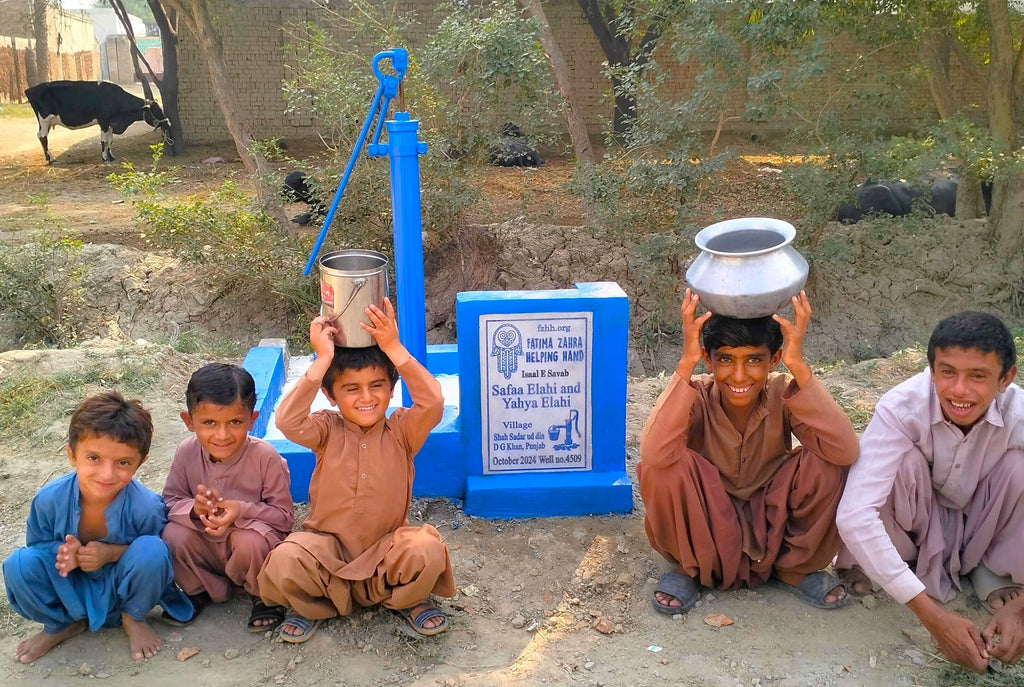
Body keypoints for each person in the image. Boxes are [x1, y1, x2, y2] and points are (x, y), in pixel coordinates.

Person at [637, 289, 859, 615]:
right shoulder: (696, 395)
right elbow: (654, 453)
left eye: (753, 359)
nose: (739, 375)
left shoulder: (783, 391)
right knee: (663, 468)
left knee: (828, 462)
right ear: (708, 359)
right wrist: (686, 363)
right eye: (725, 359)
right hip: (707, 519)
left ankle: (795, 568)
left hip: (772, 515)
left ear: (773, 360)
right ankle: (691, 568)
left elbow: (845, 449)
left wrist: (798, 367)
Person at [257, 298, 455, 643]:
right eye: (351, 389)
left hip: (385, 554)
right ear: (331, 396)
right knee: (285, 559)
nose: (367, 397)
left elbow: (433, 401)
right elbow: (287, 420)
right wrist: (323, 360)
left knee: (425, 549)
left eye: (377, 386)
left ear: (391, 390)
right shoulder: (325, 429)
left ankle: (408, 600)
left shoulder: (402, 431)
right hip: (328, 554)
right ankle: (313, 606)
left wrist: (393, 347)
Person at [837, 311, 1024, 672]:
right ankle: (898, 566)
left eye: (978, 376)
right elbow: (854, 514)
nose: (959, 390)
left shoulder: (1018, 412)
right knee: (900, 462)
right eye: (948, 372)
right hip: (913, 527)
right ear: (931, 369)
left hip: (982, 524)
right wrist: (933, 619)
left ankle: (995, 569)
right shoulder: (901, 407)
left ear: (1006, 379)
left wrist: (1023, 608)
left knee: (1019, 467)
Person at [3, 392, 192, 663]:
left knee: (152, 549)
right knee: (19, 564)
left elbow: (161, 561)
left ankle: (133, 618)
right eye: (93, 458)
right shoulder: (49, 499)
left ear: (141, 462)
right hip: (70, 590)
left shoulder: (146, 506)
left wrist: (111, 553)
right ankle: (62, 623)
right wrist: (65, 555)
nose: (107, 474)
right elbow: (38, 550)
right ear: (72, 454)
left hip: (123, 591)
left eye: (123, 463)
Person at [161, 363, 294, 632]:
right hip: (207, 543)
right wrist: (195, 510)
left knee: (249, 541)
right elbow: (169, 501)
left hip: (248, 544)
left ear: (252, 419)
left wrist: (241, 510)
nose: (222, 435)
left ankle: (265, 596)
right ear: (189, 421)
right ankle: (199, 589)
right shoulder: (187, 452)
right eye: (209, 423)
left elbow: (284, 517)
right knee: (173, 535)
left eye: (235, 422)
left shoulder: (265, 457)